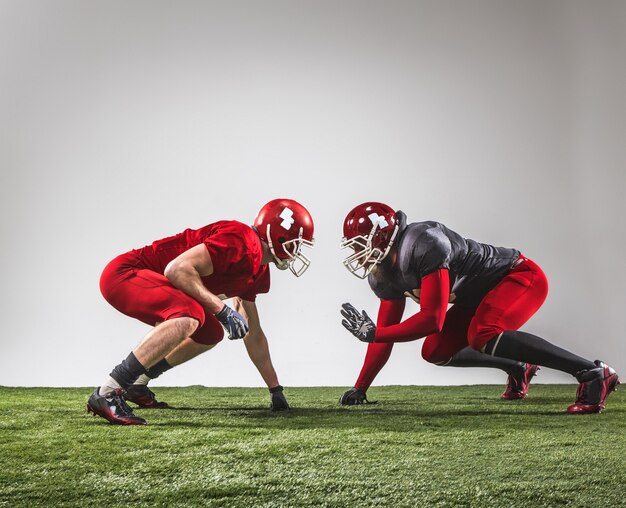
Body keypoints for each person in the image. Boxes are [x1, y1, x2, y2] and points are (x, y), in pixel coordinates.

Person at [338, 202, 619, 414]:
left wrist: (376, 334)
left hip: (518, 276)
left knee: (483, 333)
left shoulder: (423, 243)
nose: (357, 253)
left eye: (360, 244)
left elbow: (431, 320)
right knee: (434, 351)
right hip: (476, 297)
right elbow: (383, 333)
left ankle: (592, 372)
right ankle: (518, 368)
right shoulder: (382, 274)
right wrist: (360, 387)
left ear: (383, 236)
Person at [87, 198, 314, 425]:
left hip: (149, 282)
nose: (297, 249)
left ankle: (137, 383)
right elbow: (177, 269)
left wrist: (274, 388)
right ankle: (109, 390)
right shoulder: (242, 239)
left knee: (210, 333)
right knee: (190, 315)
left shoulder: (258, 267)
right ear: (278, 234)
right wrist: (222, 310)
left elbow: (252, 331)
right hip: (125, 274)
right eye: (296, 241)